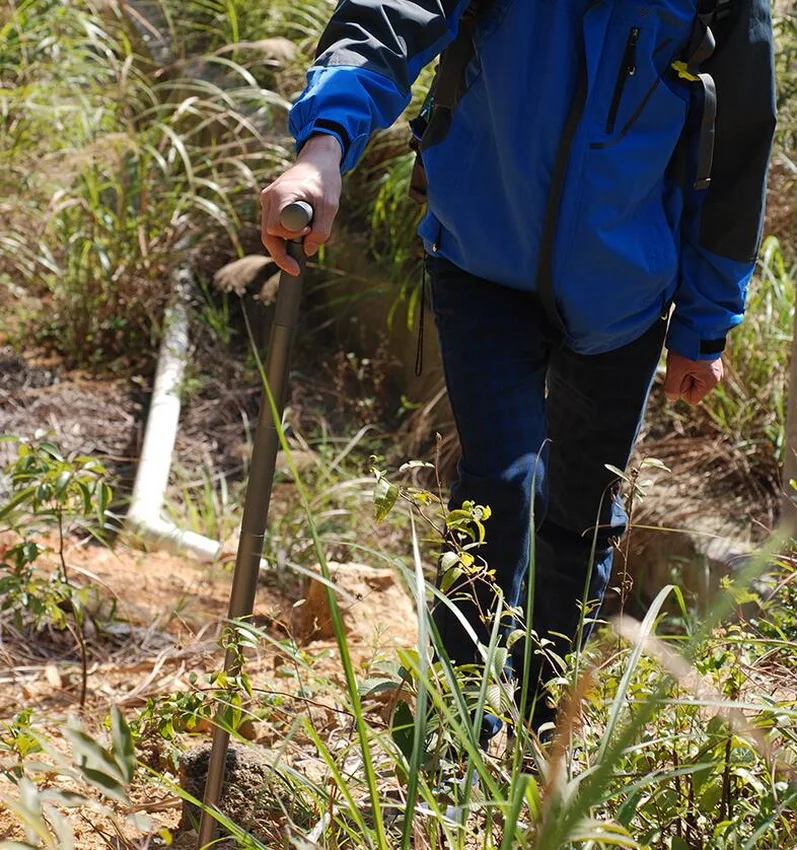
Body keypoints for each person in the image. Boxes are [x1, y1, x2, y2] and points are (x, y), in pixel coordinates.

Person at [259, 0, 776, 736]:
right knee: (500, 482)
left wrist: (705, 322)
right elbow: (388, 16)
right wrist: (323, 145)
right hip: (479, 258)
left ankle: (543, 734)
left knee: (581, 515)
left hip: (623, 292)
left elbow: (737, 144)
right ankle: (452, 738)